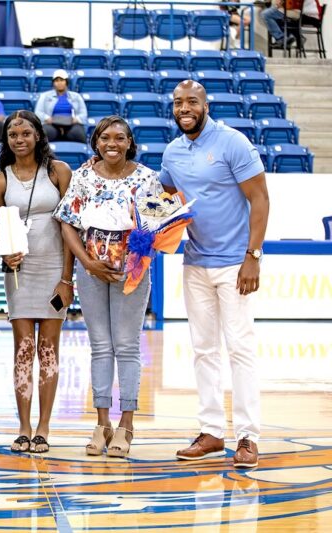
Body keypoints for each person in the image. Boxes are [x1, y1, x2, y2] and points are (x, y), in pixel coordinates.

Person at [162, 81, 269, 469]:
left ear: (206, 105)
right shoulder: (173, 151)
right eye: (178, 103)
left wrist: (253, 256)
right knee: (204, 350)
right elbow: (165, 197)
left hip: (235, 264)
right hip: (196, 262)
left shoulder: (233, 142)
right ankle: (211, 431)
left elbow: (260, 198)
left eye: (192, 101)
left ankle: (248, 437)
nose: (184, 108)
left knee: (240, 349)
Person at [55, 115, 160, 459]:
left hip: (132, 272)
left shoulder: (148, 179)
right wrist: (86, 262)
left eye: (119, 138)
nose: (111, 144)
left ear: (130, 142)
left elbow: (160, 228)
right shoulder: (84, 175)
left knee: (127, 346)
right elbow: (67, 222)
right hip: (92, 271)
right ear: (96, 143)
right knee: (100, 346)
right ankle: (102, 424)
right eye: (104, 138)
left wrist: (136, 260)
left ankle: (127, 424)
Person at [0, 110, 74, 453]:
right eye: (13, 134)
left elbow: (72, 226)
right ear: (7, 140)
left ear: (38, 135)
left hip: (54, 269)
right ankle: (24, 426)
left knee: (49, 349)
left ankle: (44, 427)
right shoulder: (0, 179)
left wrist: (67, 279)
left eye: (26, 133)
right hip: (19, 274)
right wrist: (2, 252)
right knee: (24, 349)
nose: (19, 139)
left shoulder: (58, 172)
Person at [34, 70, 88, 144]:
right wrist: (47, 118)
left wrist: (76, 119)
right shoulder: (45, 96)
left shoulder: (76, 96)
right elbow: (38, 112)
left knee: (78, 134)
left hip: (71, 124)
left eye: (62, 80)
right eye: (56, 81)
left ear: (66, 82)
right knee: (44, 134)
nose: (59, 83)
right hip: (51, 124)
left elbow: (83, 114)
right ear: (53, 83)